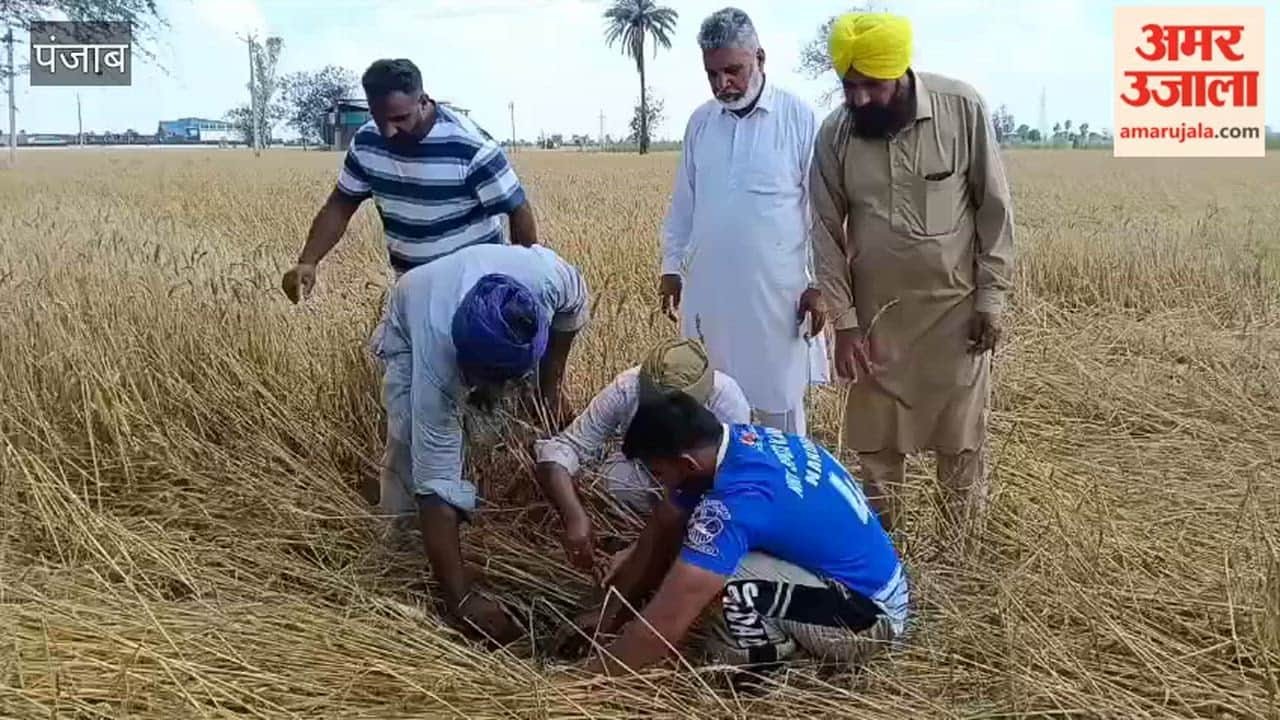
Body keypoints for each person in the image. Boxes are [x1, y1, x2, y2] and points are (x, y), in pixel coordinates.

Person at [808, 13, 1015, 543]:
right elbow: (825, 232)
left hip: (955, 316)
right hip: (876, 324)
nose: (857, 100)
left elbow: (994, 210)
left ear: (901, 73)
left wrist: (991, 298)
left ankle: (958, 551)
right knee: (876, 448)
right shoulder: (835, 133)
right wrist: (846, 323)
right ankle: (885, 553)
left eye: (870, 87)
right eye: (848, 87)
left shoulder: (961, 109)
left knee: (961, 442)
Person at [553, 391, 909, 679]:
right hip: (869, 583)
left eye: (660, 474)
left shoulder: (734, 505)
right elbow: (664, 524)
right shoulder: (741, 442)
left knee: (725, 627)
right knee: (708, 558)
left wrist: (584, 680)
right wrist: (607, 618)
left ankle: (774, 660)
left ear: (686, 464)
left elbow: (665, 621)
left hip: (867, 619)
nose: (660, 484)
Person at [378, 242, 589, 643]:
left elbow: (573, 309)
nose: (488, 387)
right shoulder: (436, 360)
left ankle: (482, 517)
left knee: (503, 423)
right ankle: (400, 546)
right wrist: (459, 600)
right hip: (415, 308)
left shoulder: (548, 281)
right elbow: (435, 483)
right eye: (480, 376)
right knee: (409, 443)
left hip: (483, 295)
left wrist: (551, 384)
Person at [280, 58, 538, 357]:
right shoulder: (367, 143)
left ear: (424, 101)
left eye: (400, 118)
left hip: (472, 294)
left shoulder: (470, 146)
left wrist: (525, 284)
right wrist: (308, 260)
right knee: (387, 365)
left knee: (461, 376)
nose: (389, 131)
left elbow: (518, 209)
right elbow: (341, 203)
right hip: (411, 288)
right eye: (379, 118)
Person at [659, 7, 829, 435]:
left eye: (732, 70)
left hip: (775, 296)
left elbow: (824, 211)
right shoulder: (700, 123)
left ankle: (789, 495)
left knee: (780, 407)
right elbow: (684, 203)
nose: (723, 84)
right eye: (712, 74)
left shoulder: (799, 118)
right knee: (712, 402)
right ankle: (725, 494)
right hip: (710, 294)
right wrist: (671, 268)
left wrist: (820, 284)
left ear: (761, 59)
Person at [533, 336, 751, 572]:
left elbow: (730, 488)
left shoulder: (728, 402)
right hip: (648, 479)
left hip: (701, 491)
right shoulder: (627, 389)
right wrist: (574, 517)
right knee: (614, 480)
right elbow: (565, 448)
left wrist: (642, 549)